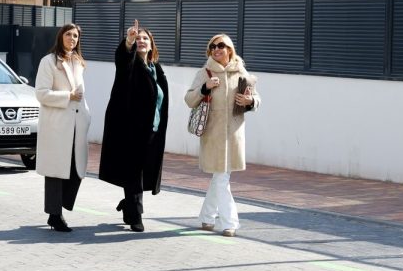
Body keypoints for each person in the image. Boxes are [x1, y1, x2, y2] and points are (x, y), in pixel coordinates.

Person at [184, 34, 260, 237]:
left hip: (234, 136)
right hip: (213, 136)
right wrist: (204, 88)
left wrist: (250, 102)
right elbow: (189, 99)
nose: (216, 49)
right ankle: (230, 223)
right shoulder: (204, 72)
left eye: (221, 46)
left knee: (220, 178)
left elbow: (256, 98)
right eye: (213, 46)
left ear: (229, 49)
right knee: (221, 178)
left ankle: (207, 218)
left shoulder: (240, 72)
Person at [99, 19, 169, 232]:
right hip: (130, 129)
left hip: (152, 129)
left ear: (152, 44)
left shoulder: (156, 68)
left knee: (144, 171)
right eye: (138, 38)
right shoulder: (130, 64)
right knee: (134, 171)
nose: (141, 41)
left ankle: (128, 203)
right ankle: (136, 215)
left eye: (145, 38)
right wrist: (128, 42)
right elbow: (122, 59)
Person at [34, 23, 91, 232]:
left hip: (76, 124)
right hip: (56, 125)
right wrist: (68, 96)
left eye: (75, 36)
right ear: (61, 36)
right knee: (55, 171)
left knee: (76, 168)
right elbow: (41, 93)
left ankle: (61, 206)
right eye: (68, 34)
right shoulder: (48, 61)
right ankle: (54, 215)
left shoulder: (78, 62)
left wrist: (87, 115)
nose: (72, 39)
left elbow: (81, 94)